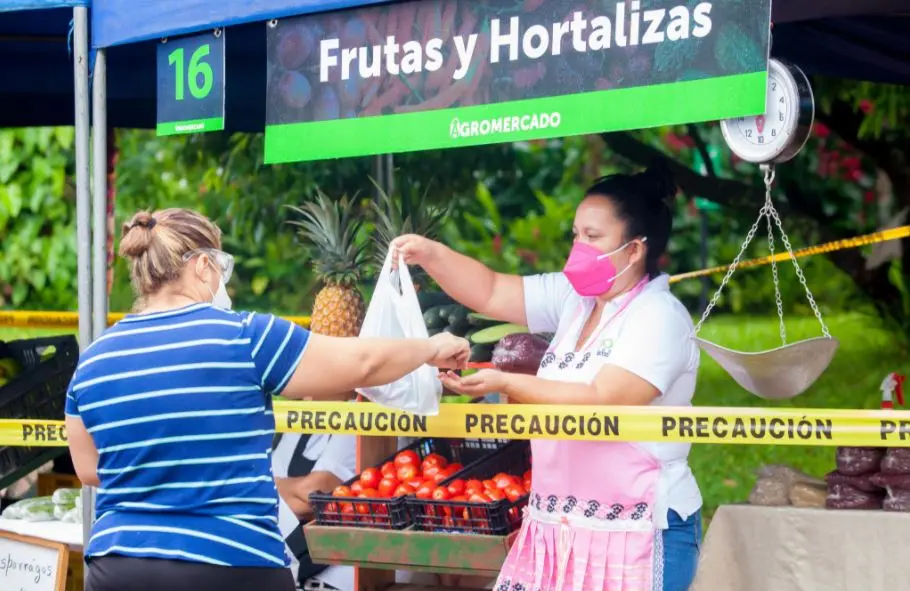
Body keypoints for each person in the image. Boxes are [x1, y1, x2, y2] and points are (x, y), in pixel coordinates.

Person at [65, 208, 470, 591]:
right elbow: (360, 362)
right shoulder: (243, 336)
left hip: (116, 565)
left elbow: (87, 468)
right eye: (223, 268)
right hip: (228, 562)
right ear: (202, 265)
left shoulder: (95, 360)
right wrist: (429, 348)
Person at [391, 161, 702, 591]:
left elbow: (603, 398)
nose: (579, 247)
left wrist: (506, 382)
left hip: (638, 528)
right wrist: (430, 254)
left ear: (635, 249)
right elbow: (492, 290)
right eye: (576, 235)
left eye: (594, 238)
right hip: (558, 526)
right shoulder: (574, 299)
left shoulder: (660, 316)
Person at [273, 431, 356, 591]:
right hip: (287, 571)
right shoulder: (296, 417)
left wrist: (264, 485)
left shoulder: (357, 414)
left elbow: (311, 499)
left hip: (332, 581)